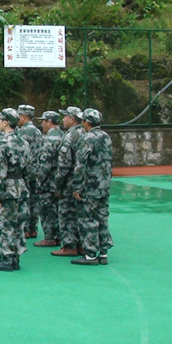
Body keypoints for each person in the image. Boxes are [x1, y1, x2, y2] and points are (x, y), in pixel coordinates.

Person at [0, 108, 30, 271]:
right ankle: (15, 257)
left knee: (4, 223)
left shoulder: (3, 143)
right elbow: (29, 168)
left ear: (5, 122)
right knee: (18, 224)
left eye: (0, 120)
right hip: (21, 186)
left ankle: (7, 258)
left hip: (7, 188)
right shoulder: (23, 142)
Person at [71, 108, 114, 265]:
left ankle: (90, 254)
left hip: (90, 186)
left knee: (87, 219)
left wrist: (76, 187)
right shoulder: (106, 137)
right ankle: (103, 253)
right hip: (104, 185)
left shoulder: (87, 138)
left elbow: (80, 165)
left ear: (86, 122)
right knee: (102, 218)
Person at [51, 107, 86, 257]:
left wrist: (58, 185)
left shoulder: (70, 136)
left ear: (72, 119)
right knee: (81, 213)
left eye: (65, 116)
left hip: (70, 181)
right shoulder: (87, 133)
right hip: (84, 181)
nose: (62, 119)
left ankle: (69, 245)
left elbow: (64, 164)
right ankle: (82, 244)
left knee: (66, 213)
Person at [33, 111, 65, 248]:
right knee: (56, 208)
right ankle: (57, 236)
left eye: (43, 121)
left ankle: (50, 237)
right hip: (58, 179)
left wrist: (39, 182)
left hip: (48, 180)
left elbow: (45, 162)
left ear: (49, 122)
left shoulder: (50, 138)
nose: (42, 124)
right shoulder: (63, 135)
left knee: (46, 209)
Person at [16, 105, 43, 239]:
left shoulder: (22, 132)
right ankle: (33, 228)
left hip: (26, 171)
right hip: (37, 171)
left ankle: (25, 229)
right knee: (34, 201)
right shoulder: (38, 131)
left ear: (23, 117)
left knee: (23, 201)